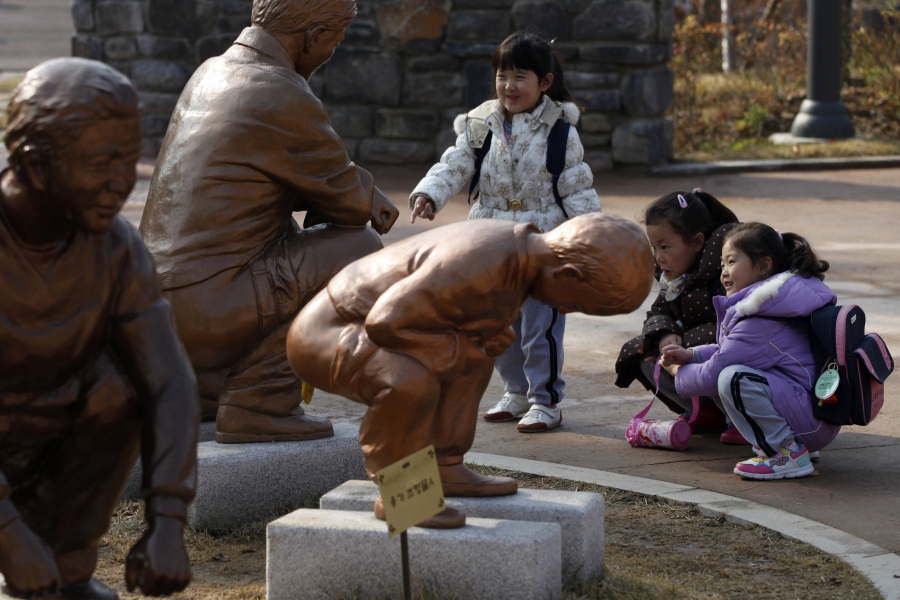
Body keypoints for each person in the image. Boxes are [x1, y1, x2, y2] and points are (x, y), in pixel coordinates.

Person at [139, 0, 400, 443]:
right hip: (208, 310)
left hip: (155, 313)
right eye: (334, 40)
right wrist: (372, 199)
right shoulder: (281, 91)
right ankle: (257, 400)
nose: (331, 51)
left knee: (282, 236)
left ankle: (208, 387)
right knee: (361, 251)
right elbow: (352, 206)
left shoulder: (210, 72)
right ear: (314, 36)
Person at [287, 213, 654, 526]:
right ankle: (403, 493)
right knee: (408, 381)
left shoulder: (522, 261)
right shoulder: (481, 263)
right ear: (569, 274)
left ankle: (446, 462)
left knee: (475, 357)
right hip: (329, 333)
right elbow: (386, 323)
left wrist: (475, 345)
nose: (565, 310)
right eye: (573, 304)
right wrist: (462, 346)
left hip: (378, 325)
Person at [0, 58, 198, 599]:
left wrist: (167, 520)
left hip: (43, 438)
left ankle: (66, 567)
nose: (121, 181)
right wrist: (9, 535)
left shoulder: (114, 247)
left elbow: (169, 381)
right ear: (35, 166)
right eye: (100, 162)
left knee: (121, 385)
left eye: (129, 157)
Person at [408, 31, 602, 433]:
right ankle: (514, 391)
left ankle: (545, 400)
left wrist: (589, 235)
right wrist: (430, 193)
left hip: (541, 238)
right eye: (502, 76)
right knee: (498, 323)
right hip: (490, 237)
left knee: (539, 325)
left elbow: (577, 187)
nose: (508, 86)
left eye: (520, 76)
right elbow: (455, 163)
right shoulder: (481, 123)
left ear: (544, 82)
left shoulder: (560, 131)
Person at [660, 222, 838, 480]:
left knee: (732, 378)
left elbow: (717, 371)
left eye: (732, 262)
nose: (723, 272)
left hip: (812, 420)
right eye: (722, 264)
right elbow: (728, 350)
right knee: (732, 373)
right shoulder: (772, 306)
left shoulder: (761, 320)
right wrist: (692, 355)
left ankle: (785, 452)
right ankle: (793, 446)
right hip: (813, 414)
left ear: (764, 266)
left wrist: (677, 370)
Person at [614, 189, 747, 443]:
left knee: (721, 359)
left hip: (727, 356)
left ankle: (741, 416)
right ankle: (709, 413)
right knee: (645, 354)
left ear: (697, 243)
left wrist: (685, 342)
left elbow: (736, 330)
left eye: (665, 246)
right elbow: (658, 311)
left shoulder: (727, 273)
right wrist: (665, 333)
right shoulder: (675, 278)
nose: (658, 256)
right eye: (654, 247)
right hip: (695, 352)